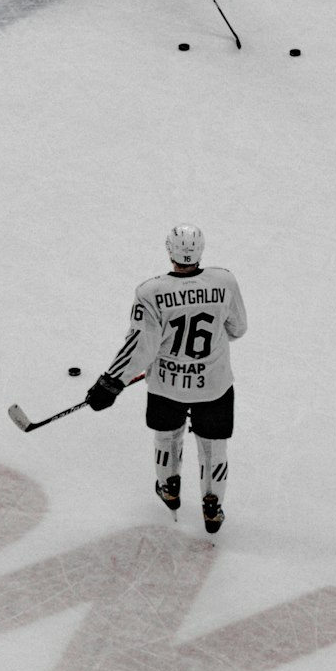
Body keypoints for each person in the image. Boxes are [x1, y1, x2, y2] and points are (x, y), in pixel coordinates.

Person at [85, 225, 247, 534]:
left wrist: (111, 381)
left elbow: (141, 346)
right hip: (214, 384)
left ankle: (169, 488)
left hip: (167, 385)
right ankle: (212, 507)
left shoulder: (150, 292)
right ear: (201, 249)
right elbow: (237, 328)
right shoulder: (224, 281)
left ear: (169, 250)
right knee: (214, 447)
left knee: (167, 437)